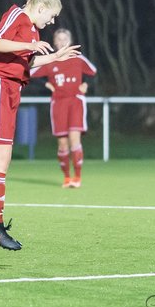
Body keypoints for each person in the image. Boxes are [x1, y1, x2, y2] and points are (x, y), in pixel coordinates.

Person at [0, 0, 79, 250]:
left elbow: (27, 61)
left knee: (2, 162)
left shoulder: (32, 32)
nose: (52, 22)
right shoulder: (17, 15)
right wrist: (29, 47)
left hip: (9, 91)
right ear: (41, 8)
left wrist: (54, 58)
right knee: (0, 162)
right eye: (52, 16)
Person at [32, 28, 98, 188]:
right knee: (62, 144)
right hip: (58, 103)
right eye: (58, 39)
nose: (61, 42)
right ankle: (67, 177)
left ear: (70, 40)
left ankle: (77, 177)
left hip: (75, 101)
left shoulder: (78, 58)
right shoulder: (49, 61)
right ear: (54, 42)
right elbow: (27, 73)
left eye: (64, 39)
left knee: (75, 138)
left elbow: (93, 73)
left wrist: (86, 84)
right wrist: (45, 84)